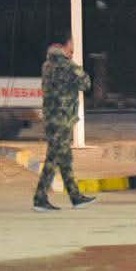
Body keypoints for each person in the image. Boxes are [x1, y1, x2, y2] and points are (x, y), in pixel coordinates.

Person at [33, 33, 94, 212]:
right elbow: (86, 83)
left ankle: (76, 197)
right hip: (62, 119)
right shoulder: (66, 65)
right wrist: (74, 63)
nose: (73, 49)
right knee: (53, 159)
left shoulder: (47, 64)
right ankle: (40, 198)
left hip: (51, 118)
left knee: (65, 159)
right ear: (65, 45)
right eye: (72, 45)